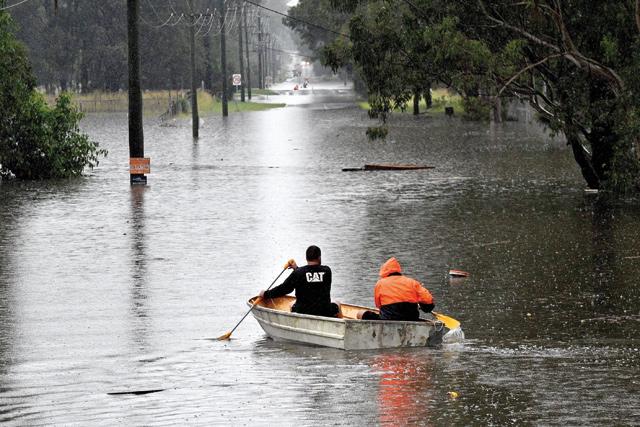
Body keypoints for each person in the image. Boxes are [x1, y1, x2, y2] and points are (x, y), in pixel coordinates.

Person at [260, 245, 339, 318]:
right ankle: (339, 325)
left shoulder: (298, 273)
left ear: (306, 258)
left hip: (304, 311)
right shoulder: (327, 271)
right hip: (324, 311)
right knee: (337, 303)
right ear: (319, 257)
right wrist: (296, 268)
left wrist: (266, 294)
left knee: (291, 304)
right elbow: (311, 279)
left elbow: (284, 289)